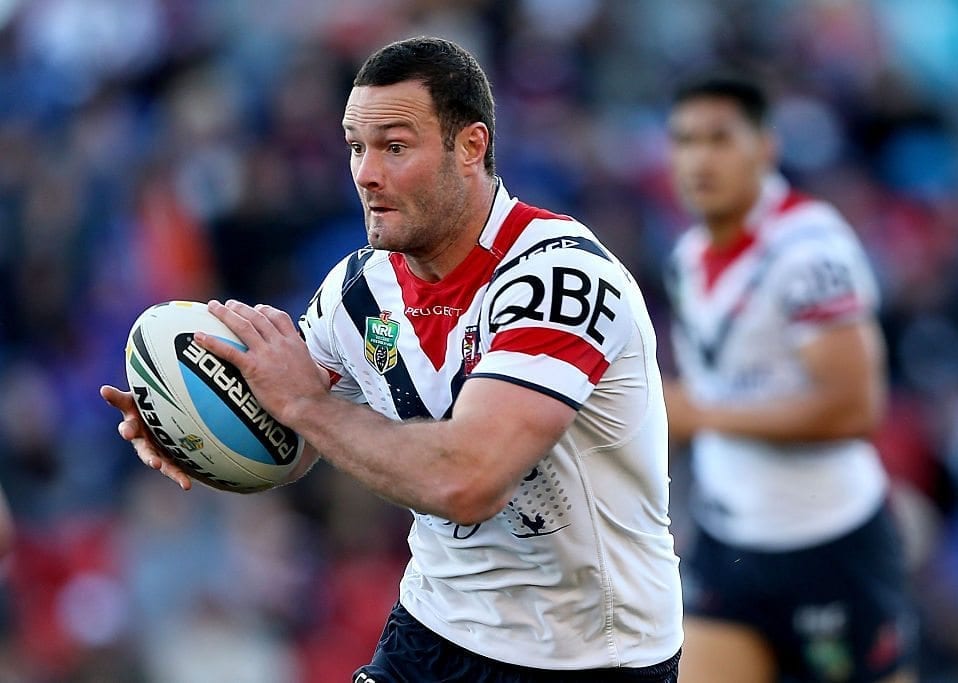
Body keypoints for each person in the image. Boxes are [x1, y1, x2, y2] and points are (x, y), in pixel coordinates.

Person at [102, 37, 683, 682]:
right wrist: (190, 427)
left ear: (471, 147)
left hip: (589, 657)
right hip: (435, 627)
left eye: (395, 147)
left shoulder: (558, 280)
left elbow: (468, 480)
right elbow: (300, 438)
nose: (366, 173)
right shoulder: (359, 296)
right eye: (356, 147)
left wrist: (304, 403)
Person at [661, 75, 917, 683]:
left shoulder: (810, 249)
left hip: (827, 543)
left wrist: (699, 414)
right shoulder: (688, 256)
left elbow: (854, 410)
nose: (700, 158)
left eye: (721, 139)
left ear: (766, 147)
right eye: (685, 140)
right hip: (730, 542)